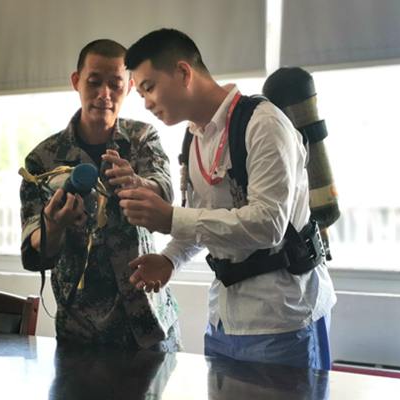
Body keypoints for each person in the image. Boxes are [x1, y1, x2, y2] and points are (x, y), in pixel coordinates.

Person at [119, 29, 336, 369]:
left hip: (282, 319)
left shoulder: (263, 124)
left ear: (183, 72)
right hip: (223, 320)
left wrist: (170, 218)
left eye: (149, 87)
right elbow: (203, 222)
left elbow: (268, 225)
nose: (146, 102)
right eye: (141, 94)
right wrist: (170, 259)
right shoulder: (193, 140)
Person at [19, 39, 181, 352]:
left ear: (129, 87)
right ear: (76, 81)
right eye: (94, 82)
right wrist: (54, 224)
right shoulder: (44, 159)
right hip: (81, 330)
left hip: (146, 324)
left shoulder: (141, 138)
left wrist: (137, 183)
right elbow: (35, 253)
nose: (104, 94)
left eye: (115, 84)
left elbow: (164, 191)